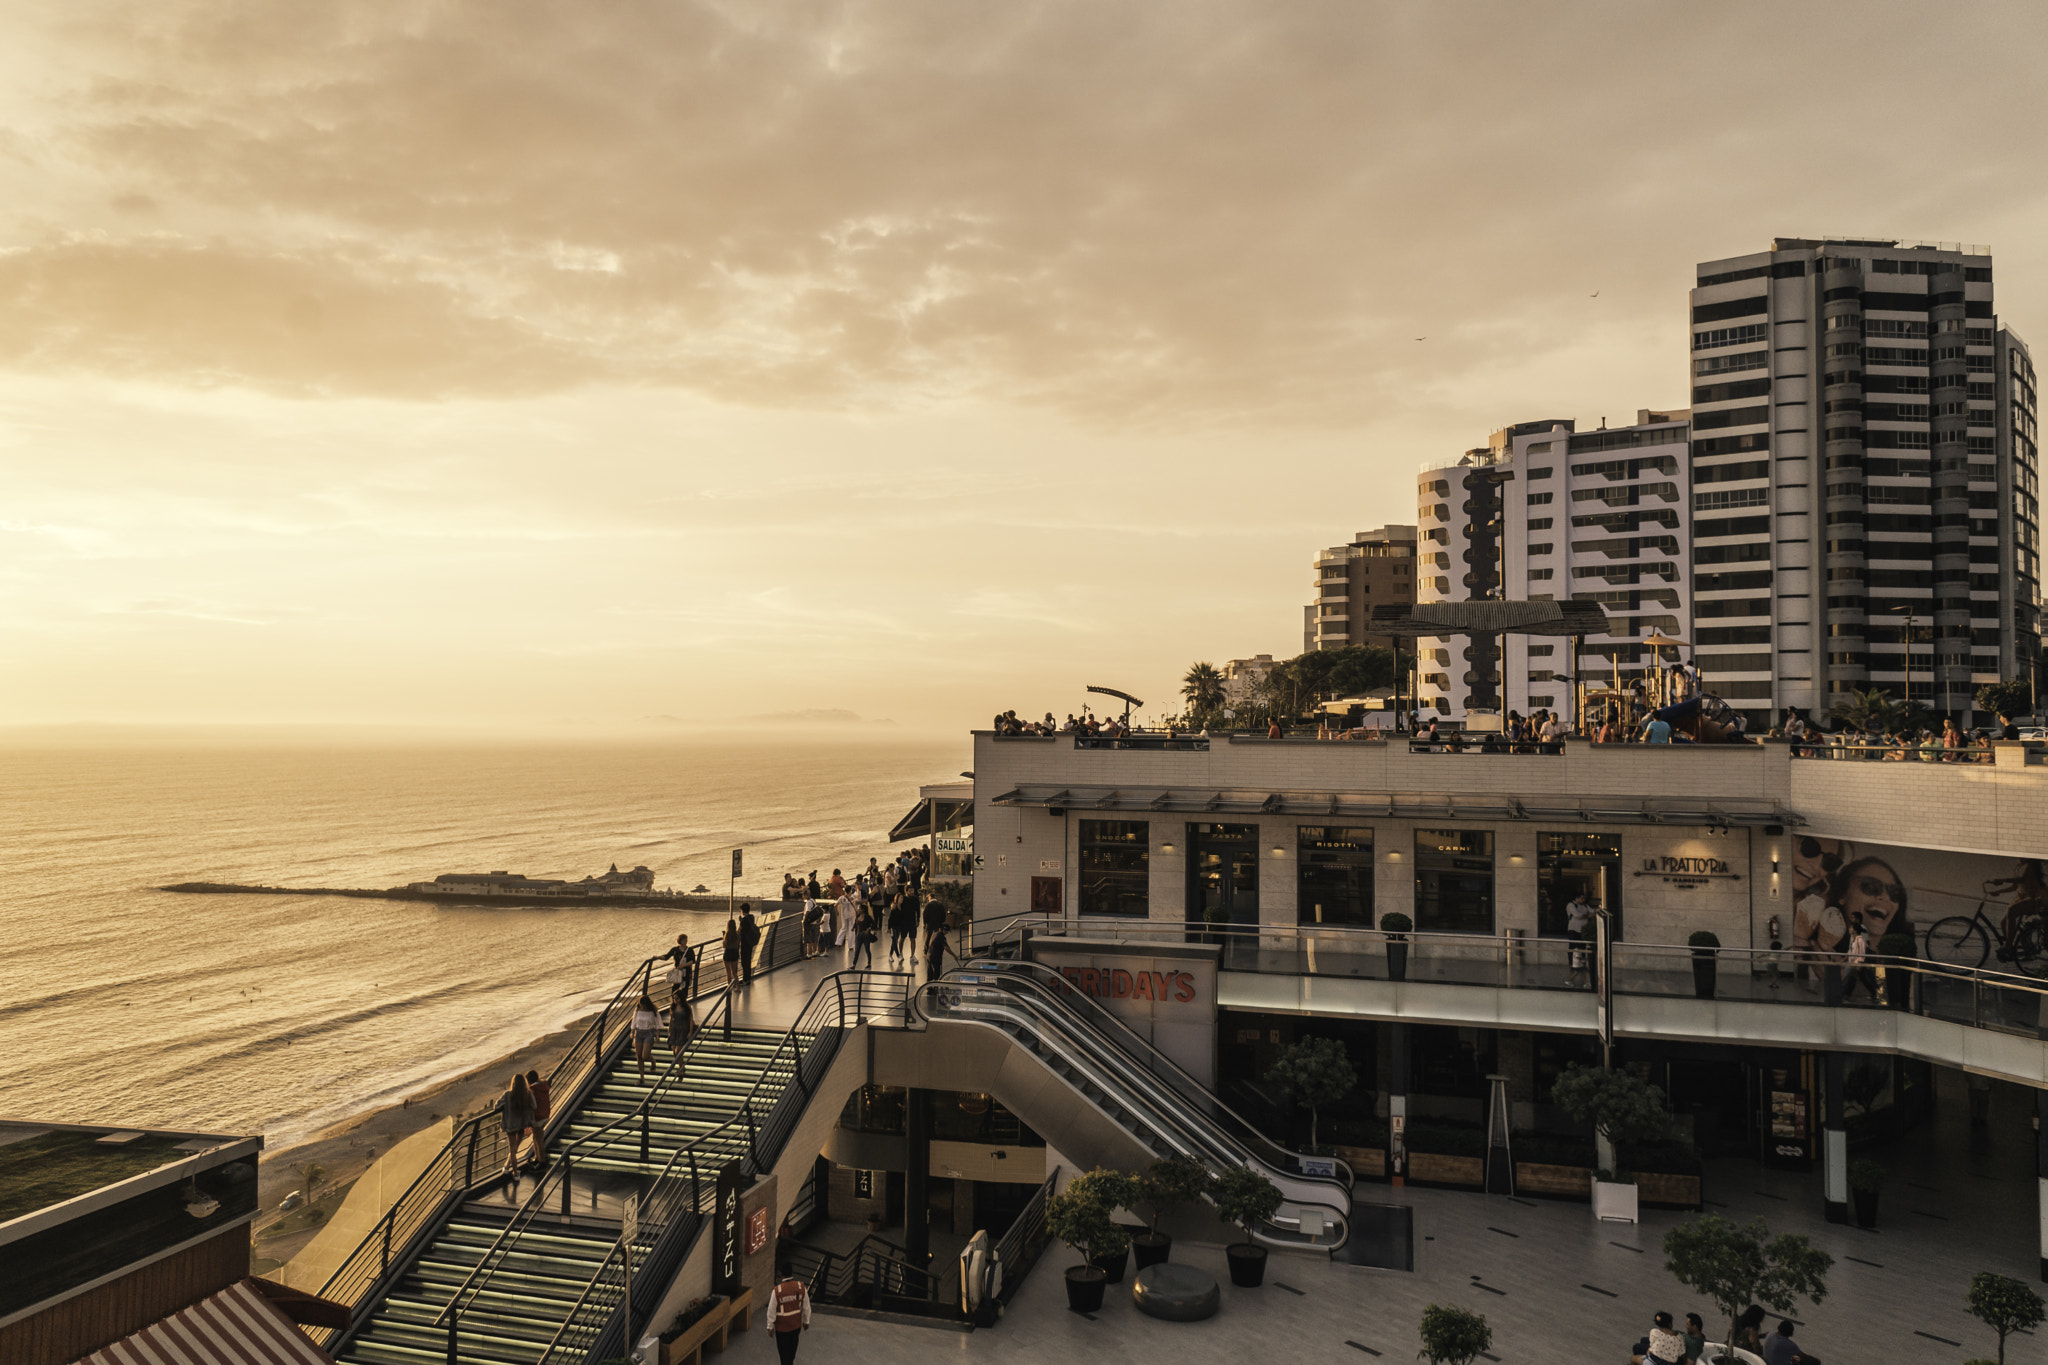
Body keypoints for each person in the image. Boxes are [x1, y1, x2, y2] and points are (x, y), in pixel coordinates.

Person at [767, 1259, 812, 1363]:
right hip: (795, 1326)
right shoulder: (801, 1287)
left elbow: (771, 1310)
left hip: (782, 1328)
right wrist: (806, 1321)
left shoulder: (777, 1291)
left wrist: (770, 1326)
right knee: (792, 1351)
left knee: (784, 1354)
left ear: (781, 1274)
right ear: (792, 1272)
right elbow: (806, 1306)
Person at [496, 1073, 536, 1178]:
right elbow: (534, 1106)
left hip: (510, 1126)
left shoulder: (508, 1095)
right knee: (515, 1149)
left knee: (512, 1150)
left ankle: (515, 1173)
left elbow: (496, 1106)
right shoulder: (528, 1094)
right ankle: (506, 1167)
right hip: (522, 1124)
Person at [1564, 892, 1595, 988]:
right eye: (1581, 898)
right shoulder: (1571, 905)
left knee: (1582, 949)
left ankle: (1581, 966)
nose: (1583, 900)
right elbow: (1577, 915)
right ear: (1576, 898)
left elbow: (1593, 912)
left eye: (1584, 898)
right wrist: (1587, 915)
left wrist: (1589, 914)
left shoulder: (1585, 905)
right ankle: (1573, 966)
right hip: (1574, 930)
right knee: (1574, 949)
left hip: (1583, 931)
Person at [1842, 916, 1875, 1002]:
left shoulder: (1860, 940)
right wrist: (1844, 958)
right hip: (1853, 962)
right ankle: (1873, 992)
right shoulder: (1853, 939)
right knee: (1859, 978)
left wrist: (1858, 964)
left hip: (1856, 963)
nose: (1849, 929)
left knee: (1849, 977)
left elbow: (1861, 952)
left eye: (1851, 928)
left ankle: (1844, 994)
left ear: (1855, 930)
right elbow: (1851, 950)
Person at [524, 1069, 552, 1170]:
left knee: (538, 1139)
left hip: (537, 1117)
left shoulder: (533, 1090)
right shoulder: (543, 1086)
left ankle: (541, 1161)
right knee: (536, 1138)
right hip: (545, 1115)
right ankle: (537, 1158)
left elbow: (531, 1105)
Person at [631, 991, 660, 1080]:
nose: (642, 1007)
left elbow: (658, 1024)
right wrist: (632, 1032)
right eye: (641, 1005)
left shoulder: (653, 1011)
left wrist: (657, 1035)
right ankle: (642, 1076)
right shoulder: (637, 1010)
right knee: (639, 1056)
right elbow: (634, 1022)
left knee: (645, 1056)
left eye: (643, 1005)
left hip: (649, 1033)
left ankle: (653, 1061)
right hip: (639, 1033)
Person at [739, 904, 761, 983]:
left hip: (745, 943)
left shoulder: (744, 920)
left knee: (744, 961)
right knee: (748, 960)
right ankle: (748, 978)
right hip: (750, 942)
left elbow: (739, 931)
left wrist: (740, 922)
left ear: (743, 910)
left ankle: (745, 979)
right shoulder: (751, 917)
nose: (740, 911)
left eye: (741, 910)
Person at [668, 993, 694, 1059]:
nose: (675, 1000)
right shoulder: (673, 1007)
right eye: (674, 998)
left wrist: (690, 1031)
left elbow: (691, 1019)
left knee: (678, 1052)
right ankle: (681, 1067)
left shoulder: (686, 1007)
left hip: (683, 1029)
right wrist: (669, 1030)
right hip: (674, 1030)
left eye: (677, 998)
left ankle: (681, 1068)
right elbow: (671, 1020)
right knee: (674, 1051)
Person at [721, 918, 742, 988]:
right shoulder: (737, 935)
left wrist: (723, 937)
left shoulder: (727, 935)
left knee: (728, 973)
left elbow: (724, 946)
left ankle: (729, 988)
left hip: (728, 953)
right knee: (734, 972)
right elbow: (738, 944)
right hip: (735, 953)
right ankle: (738, 987)